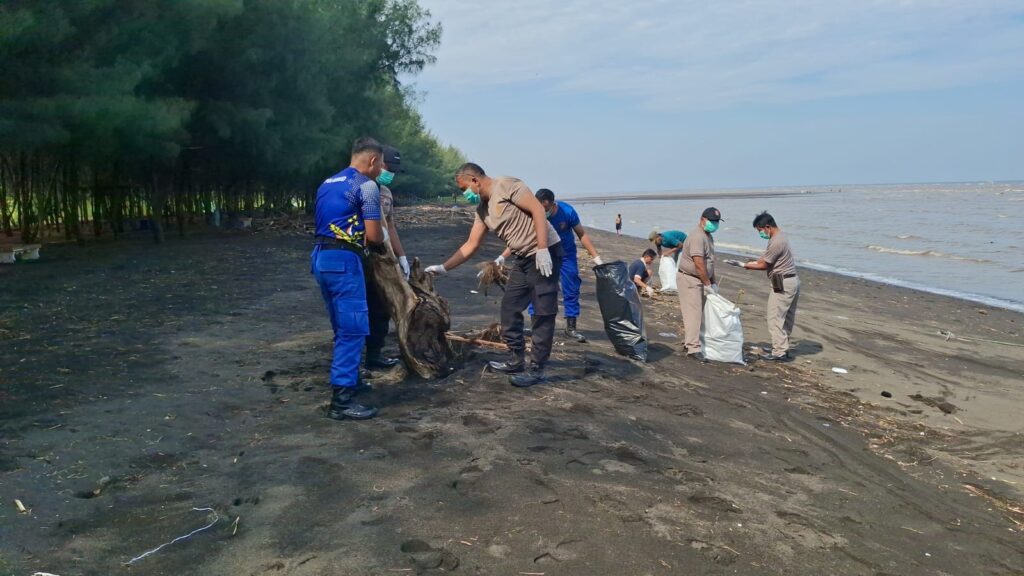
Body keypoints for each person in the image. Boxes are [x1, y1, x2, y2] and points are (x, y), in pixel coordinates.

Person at [425, 163, 562, 387]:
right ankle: (516, 359)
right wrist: (443, 267)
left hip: (545, 253)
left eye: (464, 189)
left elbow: (538, 210)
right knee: (510, 307)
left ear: (475, 180)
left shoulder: (507, 185)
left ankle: (537, 368)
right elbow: (471, 244)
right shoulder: (482, 209)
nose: (465, 194)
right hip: (522, 257)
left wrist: (543, 248)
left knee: (542, 311)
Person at [312, 137, 387, 420]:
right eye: (381, 165)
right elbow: (374, 236)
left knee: (341, 326)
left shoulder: (327, 182)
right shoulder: (366, 186)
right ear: (373, 160)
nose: (381, 171)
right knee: (353, 329)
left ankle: (351, 380)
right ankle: (341, 401)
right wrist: (381, 239)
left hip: (321, 257)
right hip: (344, 261)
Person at [494, 189, 603, 343]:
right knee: (537, 288)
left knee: (571, 286)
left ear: (553, 204)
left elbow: (581, 234)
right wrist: (502, 257)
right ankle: (535, 325)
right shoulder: (530, 212)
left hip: (566, 255)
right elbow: (521, 238)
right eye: (539, 208)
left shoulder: (567, 212)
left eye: (545, 209)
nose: (542, 212)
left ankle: (571, 327)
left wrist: (596, 257)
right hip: (541, 254)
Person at [362, 144, 409, 372]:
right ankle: (353, 358)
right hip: (363, 257)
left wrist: (402, 256)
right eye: (389, 168)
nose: (391, 174)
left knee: (381, 307)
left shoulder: (386, 193)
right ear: (379, 163)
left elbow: (390, 226)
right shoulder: (361, 187)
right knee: (359, 309)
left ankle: (374, 355)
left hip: (383, 260)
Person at [731, 211, 800, 361]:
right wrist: (752, 262)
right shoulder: (780, 236)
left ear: (768, 227)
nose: (760, 234)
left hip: (782, 282)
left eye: (760, 230)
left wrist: (743, 265)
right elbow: (766, 258)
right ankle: (782, 347)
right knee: (785, 317)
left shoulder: (776, 241)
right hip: (790, 280)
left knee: (775, 317)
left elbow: (764, 265)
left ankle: (779, 352)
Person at [675, 207, 722, 362]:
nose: (715, 224)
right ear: (702, 220)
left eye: (717, 221)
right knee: (693, 314)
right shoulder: (697, 237)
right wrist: (708, 284)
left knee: (699, 313)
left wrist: (713, 282)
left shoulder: (708, 236)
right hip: (690, 279)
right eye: (712, 221)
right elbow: (699, 264)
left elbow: (710, 263)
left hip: (700, 279)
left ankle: (690, 342)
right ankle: (693, 348)